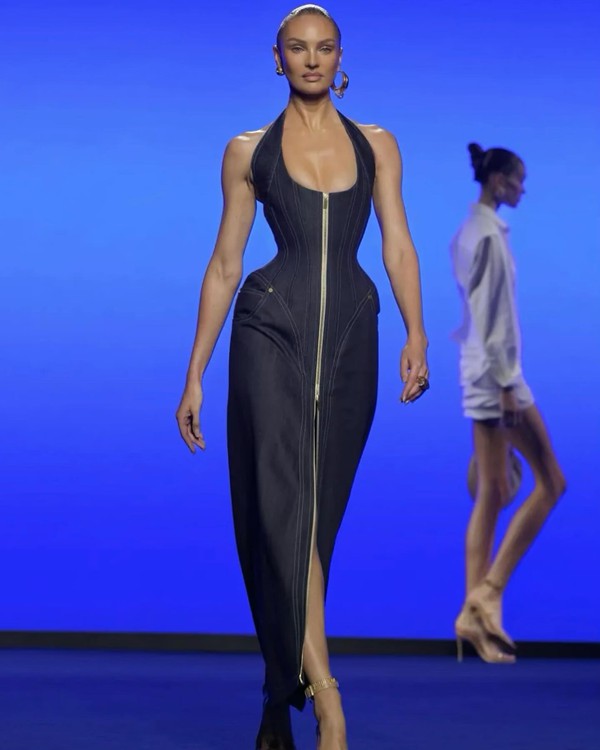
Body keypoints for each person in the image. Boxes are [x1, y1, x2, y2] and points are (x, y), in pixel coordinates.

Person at [176, 5, 429, 748]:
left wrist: (416, 330)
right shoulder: (246, 151)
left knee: (315, 523)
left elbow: (398, 244)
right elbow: (225, 264)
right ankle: (327, 702)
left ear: (340, 56)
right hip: (268, 329)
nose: (312, 59)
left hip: (353, 335)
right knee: (280, 511)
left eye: (324, 48)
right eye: (298, 47)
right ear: (277, 57)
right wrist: (195, 372)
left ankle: (274, 690)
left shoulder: (377, 144)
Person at [450, 143, 566, 664]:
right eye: (518, 180)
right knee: (552, 482)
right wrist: (504, 387)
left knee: (493, 491)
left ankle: (472, 619)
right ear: (498, 180)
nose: (523, 189)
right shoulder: (489, 237)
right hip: (498, 378)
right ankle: (489, 593)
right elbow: (493, 317)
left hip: (479, 371)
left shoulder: (469, 231)